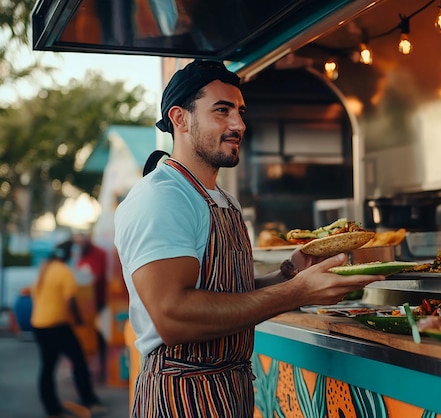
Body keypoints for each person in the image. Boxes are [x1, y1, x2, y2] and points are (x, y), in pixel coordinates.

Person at [113, 59, 385, 418]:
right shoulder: (162, 197)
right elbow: (175, 317)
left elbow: (222, 293)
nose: (239, 124)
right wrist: (297, 292)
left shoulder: (223, 200)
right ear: (179, 119)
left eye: (240, 112)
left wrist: (289, 272)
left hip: (231, 390)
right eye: (222, 111)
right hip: (181, 395)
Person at [30, 241, 106, 418]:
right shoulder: (64, 272)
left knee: (47, 367)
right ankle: (90, 401)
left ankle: (52, 409)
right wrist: (79, 321)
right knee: (79, 361)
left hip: (39, 325)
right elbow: (70, 300)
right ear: (67, 255)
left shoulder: (45, 269)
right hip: (57, 326)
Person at [71, 231, 109, 381]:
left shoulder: (98, 253)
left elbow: (96, 275)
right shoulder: (80, 255)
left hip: (97, 301)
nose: (79, 245)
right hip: (84, 303)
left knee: (97, 335)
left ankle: (99, 368)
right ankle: (87, 368)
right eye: (77, 242)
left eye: (81, 242)